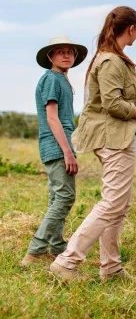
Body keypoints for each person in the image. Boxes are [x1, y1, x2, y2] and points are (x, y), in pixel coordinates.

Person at [50, 6, 136, 282]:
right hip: (113, 138)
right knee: (113, 203)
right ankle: (67, 261)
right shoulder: (110, 61)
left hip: (117, 136)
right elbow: (112, 104)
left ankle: (111, 268)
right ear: (132, 29)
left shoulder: (114, 58)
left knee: (120, 204)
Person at [21, 36, 88, 267]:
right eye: (60, 52)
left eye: (70, 51)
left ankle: (58, 246)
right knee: (66, 197)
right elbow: (52, 118)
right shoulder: (51, 79)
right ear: (50, 56)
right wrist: (68, 152)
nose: (66, 55)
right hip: (58, 146)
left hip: (59, 146)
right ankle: (36, 249)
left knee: (56, 198)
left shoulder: (61, 79)